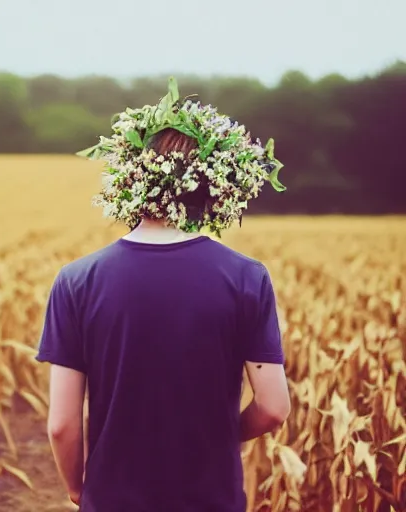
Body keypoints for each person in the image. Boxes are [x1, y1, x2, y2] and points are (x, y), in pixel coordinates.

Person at [35, 78, 291, 511]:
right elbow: (272, 408)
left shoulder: (76, 280)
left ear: (131, 180)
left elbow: (61, 424)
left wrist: (79, 488)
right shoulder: (247, 277)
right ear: (213, 188)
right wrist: (217, 435)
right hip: (212, 499)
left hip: (112, 499)